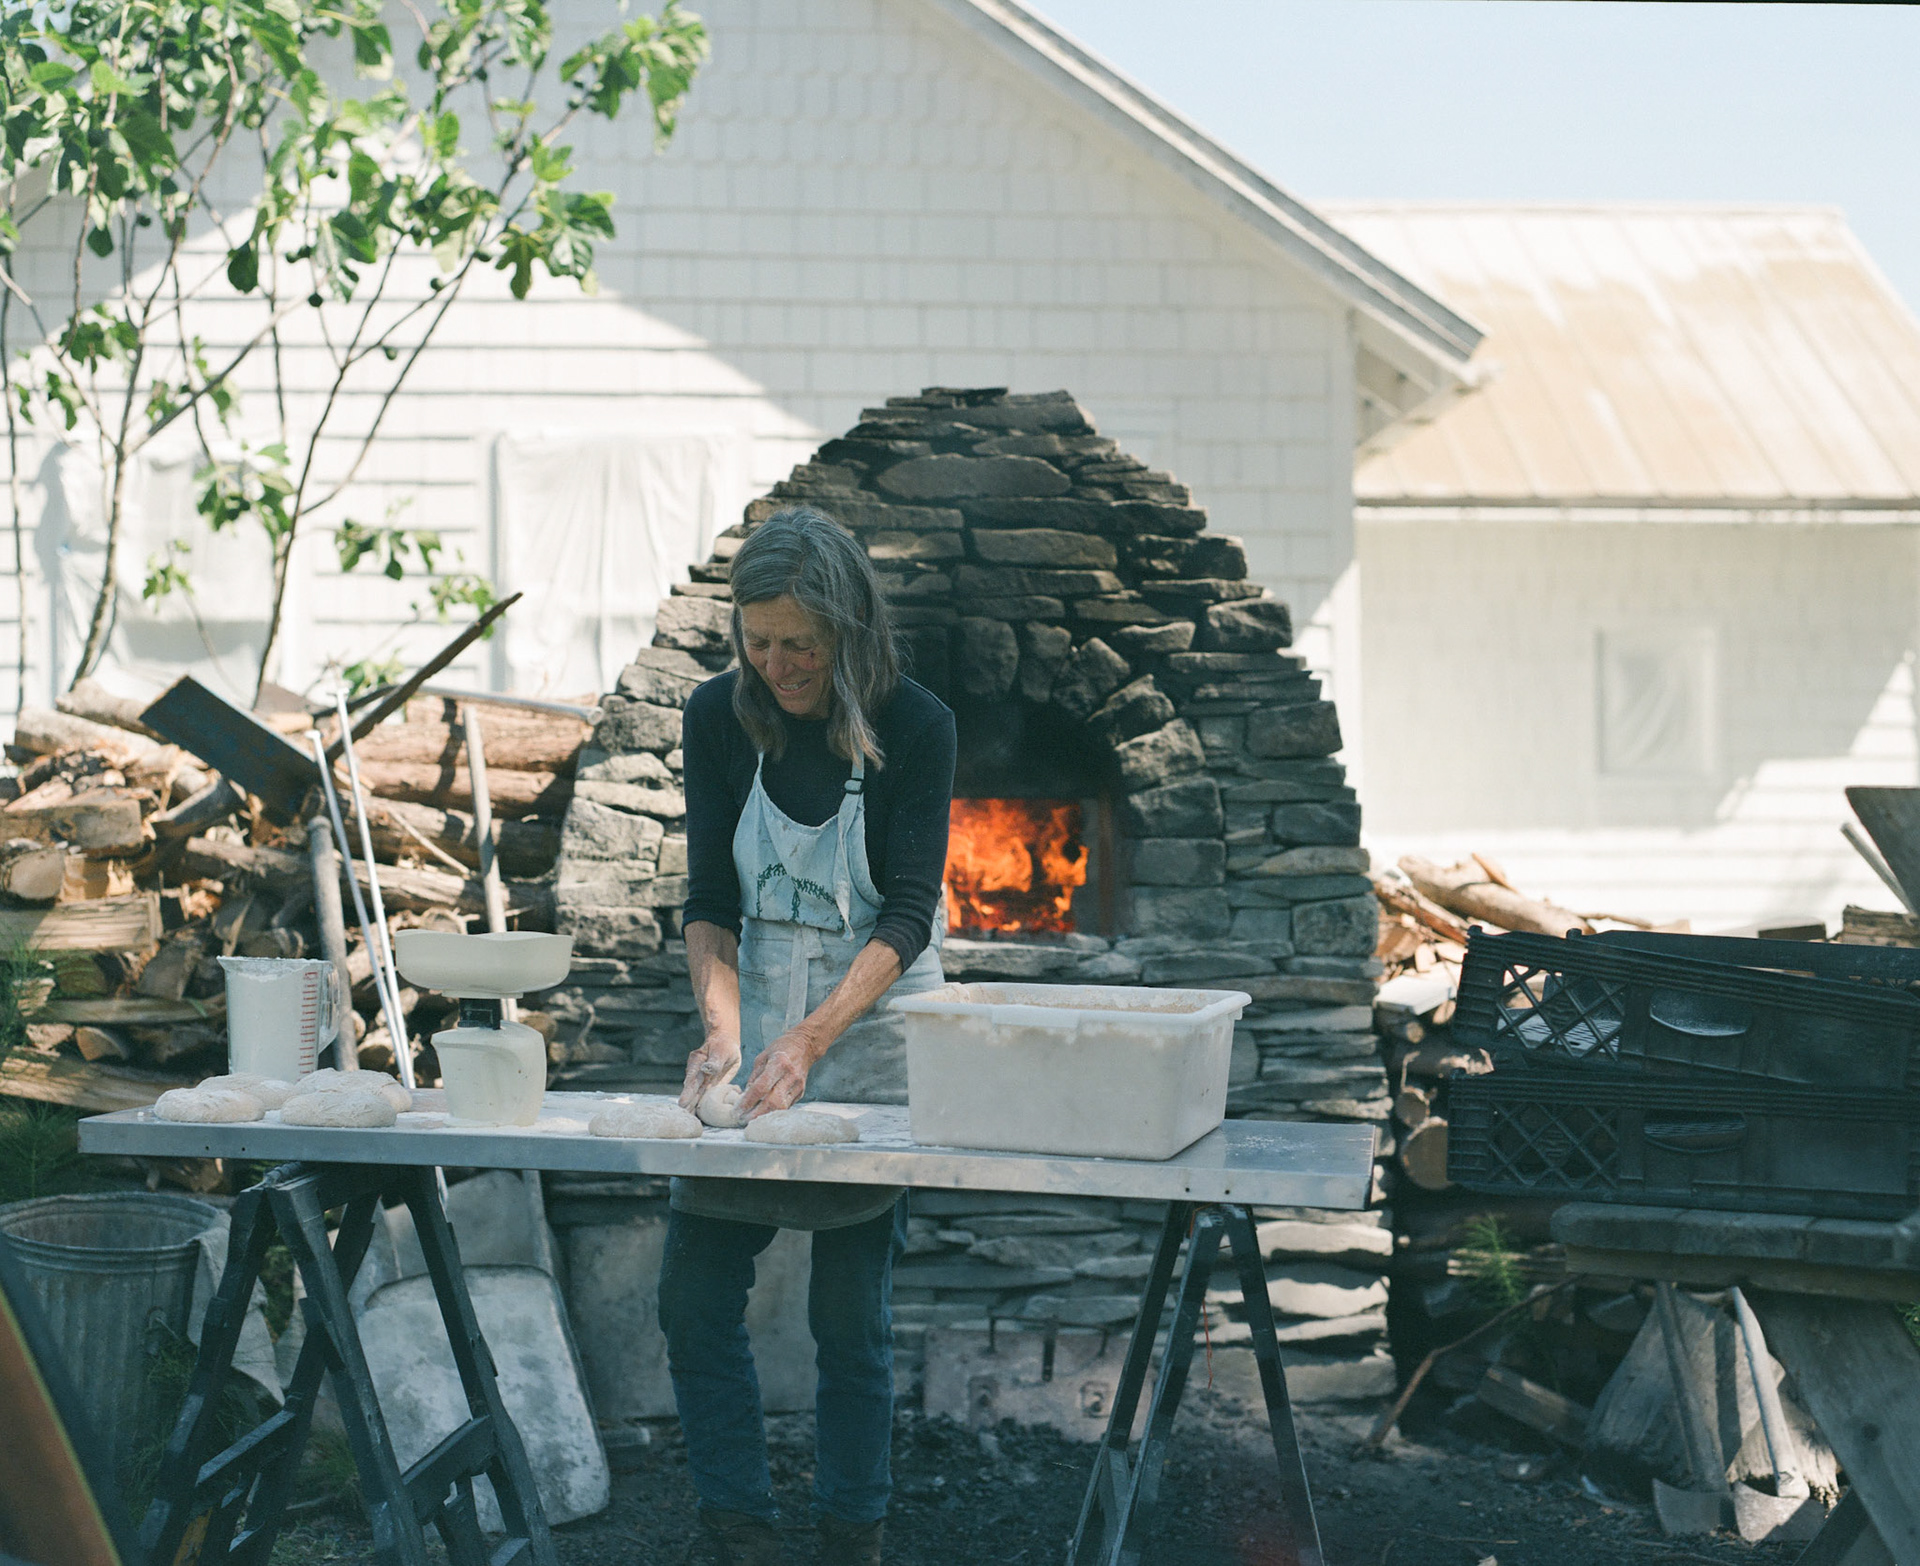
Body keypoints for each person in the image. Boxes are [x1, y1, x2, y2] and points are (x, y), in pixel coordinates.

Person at [659, 506, 956, 1566]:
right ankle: (737, 1525)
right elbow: (710, 898)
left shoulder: (915, 725)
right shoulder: (717, 718)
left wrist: (813, 1040)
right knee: (692, 1298)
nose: (777, 665)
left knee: (850, 1319)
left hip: (866, 1038)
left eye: (801, 644)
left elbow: (908, 910)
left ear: (849, 631)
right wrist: (725, 1033)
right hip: (757, 1037)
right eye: (759, 641)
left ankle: (850, 1533)